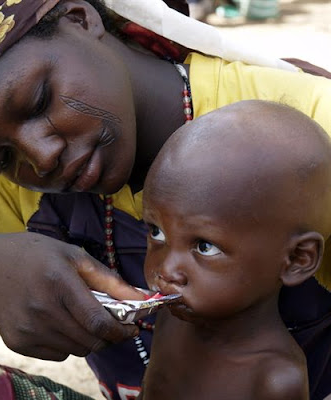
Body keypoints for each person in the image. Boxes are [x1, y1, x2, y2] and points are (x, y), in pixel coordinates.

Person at [0, 1, 331, 399]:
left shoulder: (312, 131)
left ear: (80, 19)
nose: (41, 157)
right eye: (2, 157)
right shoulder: (10, 187)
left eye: (38, 101)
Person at [140, 100, 331, 399]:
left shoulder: (276, 378)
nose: (166, 270)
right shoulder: (172, 319)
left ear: (296, 259)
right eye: (157, 232)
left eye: (204, 246)